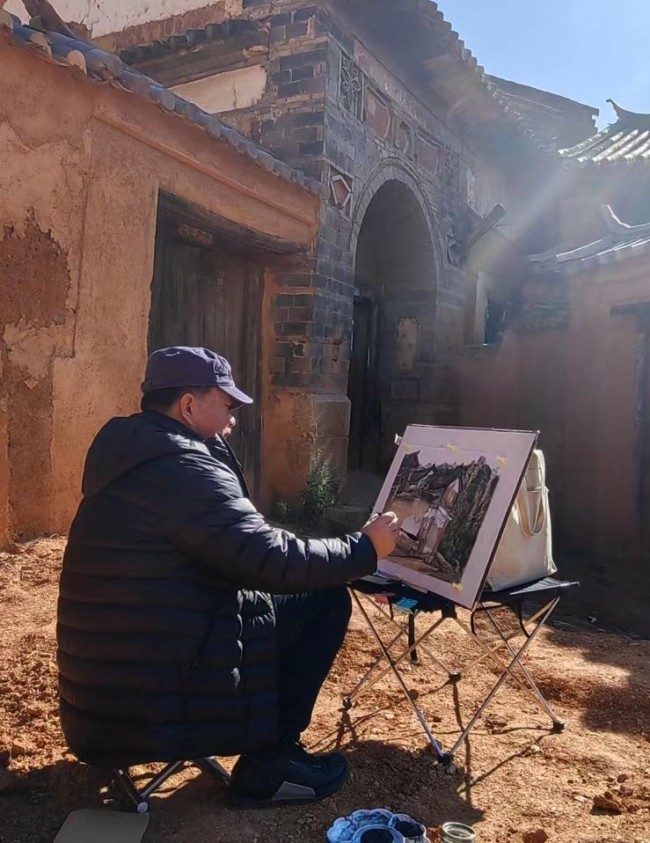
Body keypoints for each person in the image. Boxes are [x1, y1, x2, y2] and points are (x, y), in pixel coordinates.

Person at [57, 346, 399, 808]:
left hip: (110, 701)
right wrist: (365, 549)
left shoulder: (136, 452)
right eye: (228, 404)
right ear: (189, 405)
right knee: (323, 599)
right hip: (153, 696)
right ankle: (270, 764)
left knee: (277, 602)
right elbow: (272, 560)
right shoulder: (184, 468)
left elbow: (236, 545)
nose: (235, 416)